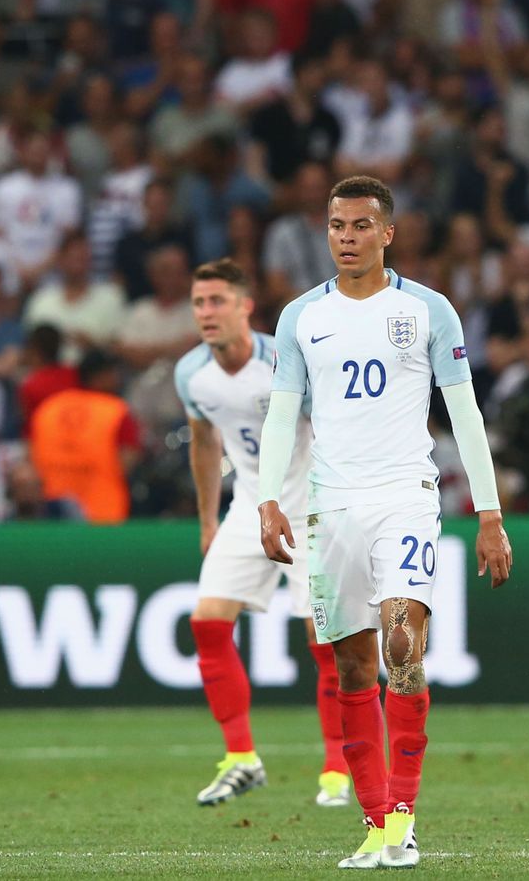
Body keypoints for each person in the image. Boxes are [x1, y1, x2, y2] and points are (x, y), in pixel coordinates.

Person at [256, 175, 512, 869]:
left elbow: (464, 413)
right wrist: (267, 498)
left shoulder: (428, 310)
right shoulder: (301, 317)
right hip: (329, 503)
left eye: (361, 226)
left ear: (388, 233)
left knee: (403, 644)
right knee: (352, 666)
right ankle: (373, 824)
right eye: (337, 226)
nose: (347, 238)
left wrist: (490, 513)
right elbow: (284, 411)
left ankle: (402, 816)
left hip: (405, 493)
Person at [173, 258, 347, 808]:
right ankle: (242, 758)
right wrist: (207, 519)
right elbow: (205, 443)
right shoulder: (191, 374)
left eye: (217, 300)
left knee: (326, 642)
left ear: (245, 306)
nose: (207, 312)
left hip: (311, 510)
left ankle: (338, 770)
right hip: (249, 507)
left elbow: (331, 430)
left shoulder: (284, 359)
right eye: (199, 302)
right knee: (206, 623)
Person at [29, 349, 142, 524]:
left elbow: (32, 455)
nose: (117, 379)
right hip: (103, 516)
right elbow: (127, 460)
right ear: (99, 376)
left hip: (51, 515)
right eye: (112, 373)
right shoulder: (116, 410)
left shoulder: (50, 407)